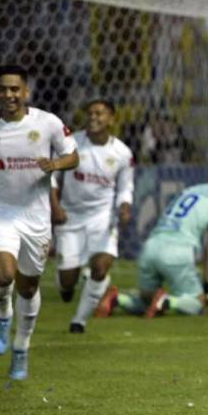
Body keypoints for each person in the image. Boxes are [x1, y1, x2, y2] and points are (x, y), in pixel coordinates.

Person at [0, 64, 79, 380]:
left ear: (26, 91)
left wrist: (55, 164)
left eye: (14, 89)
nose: (8, 95)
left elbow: (73, 155)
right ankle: (2, 314)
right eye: (2, 89)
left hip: (36, 217)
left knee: (28, 287)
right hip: (2, 212)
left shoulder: (48, 123)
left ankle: (21, 349)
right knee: (4, 273)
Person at [95, 162, 208, 318]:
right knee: (198, 304)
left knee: (146, 301)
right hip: (177, 252)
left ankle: (117, 299)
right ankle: (165, 301)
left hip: (150, 247)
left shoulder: (190, 190)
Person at [50, 99, 135, 334]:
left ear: (111, 118)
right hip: (70, 217)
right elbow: (53, 179)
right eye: (90, 113)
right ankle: (67, 285)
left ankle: (79, 321)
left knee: (100, 267)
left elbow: (125, 188)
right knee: (68, 281)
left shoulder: (122, 153)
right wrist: (55, 207)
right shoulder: (71, 143)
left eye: (100, 113)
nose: (94, 117)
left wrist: (125, 206)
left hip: (103, 218)